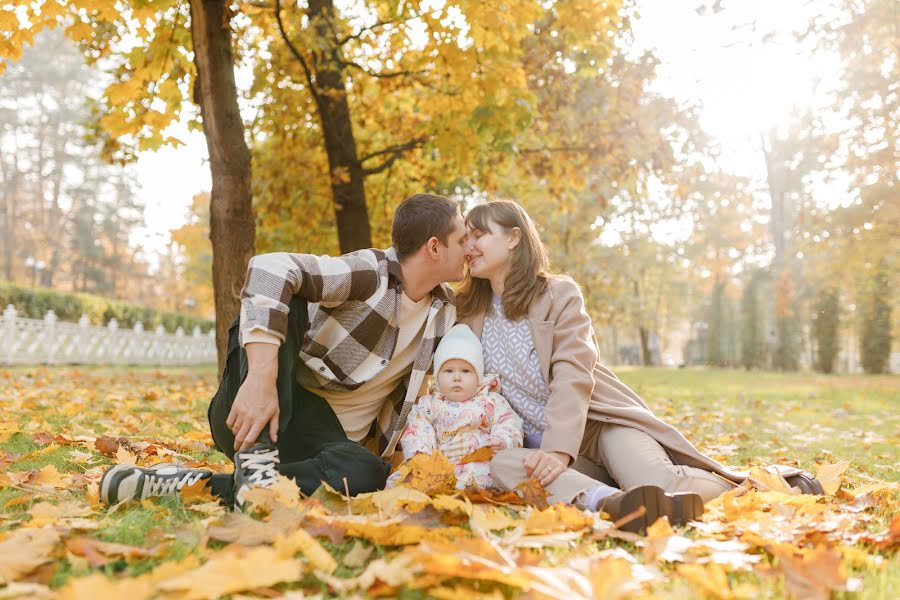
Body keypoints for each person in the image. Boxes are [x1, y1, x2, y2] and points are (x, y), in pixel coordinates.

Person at [99, 193, 467, 510]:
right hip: (264, 409)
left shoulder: (445, 312)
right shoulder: (371, 273)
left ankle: (211, 486)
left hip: (324, 448)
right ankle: (255, 458)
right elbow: (270, 266)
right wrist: (261, 379)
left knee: (367, 473)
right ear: (435, 247)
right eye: (463, 238)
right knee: (284, 299)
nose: (469, 248)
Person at [457, 200, 743, 530]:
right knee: (503, 465)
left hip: (599, 427)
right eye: (465, 238)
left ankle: (757, 485)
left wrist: (557, 451)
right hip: (543, 453)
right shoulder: (466, 311)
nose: (469, 246)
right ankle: (610, 503)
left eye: (478, 235)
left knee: (657, 481)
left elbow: (573, 374)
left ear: (513, 238)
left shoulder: (559, 295)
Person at [387, 324, 524, 490]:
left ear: (478, 376)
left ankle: (469, 497)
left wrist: (502, 439)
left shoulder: (490, 402)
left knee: (489, 474)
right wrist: (422, 457)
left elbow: (509, 422)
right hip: (439, 465)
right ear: (437, 377)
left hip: (477, 460)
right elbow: (417, 431)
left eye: (466, 371)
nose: (457, 377)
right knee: (400, 480)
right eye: (449, 371)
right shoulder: (428, 405)